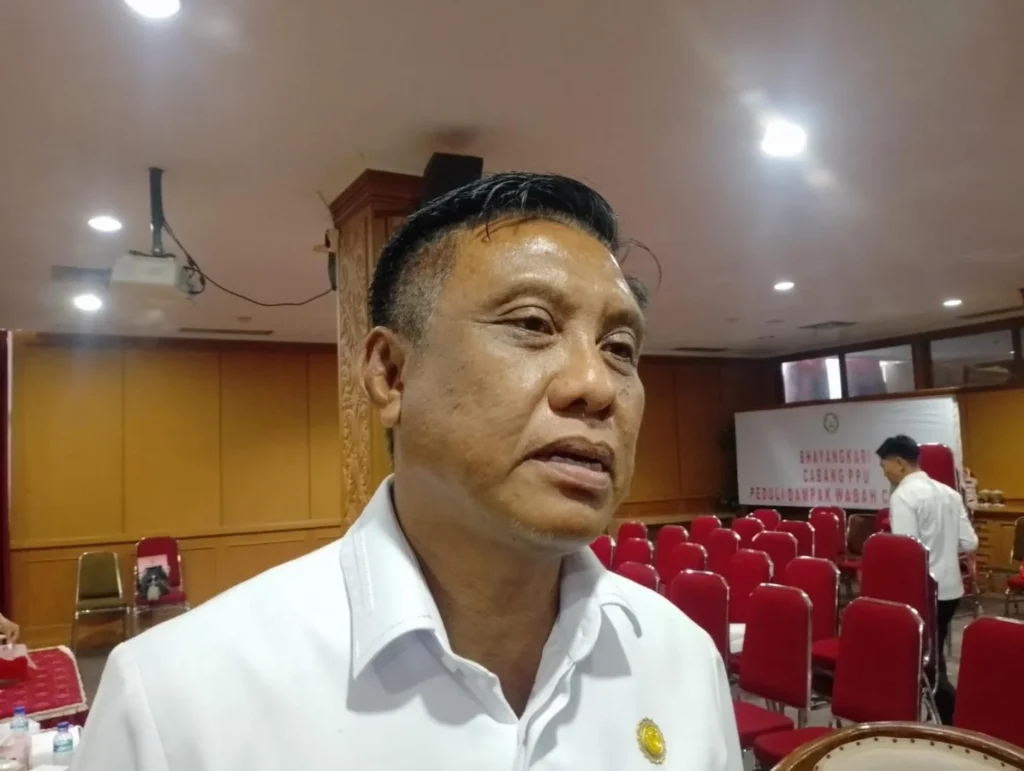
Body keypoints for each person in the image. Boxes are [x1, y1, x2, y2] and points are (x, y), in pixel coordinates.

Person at [74, 172, 742, 770]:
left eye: (620, 348)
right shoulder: (177, 701)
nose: (595, 385)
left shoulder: (682, 660)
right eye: (533, 324)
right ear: (391, 374)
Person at [877, 434, 978, 725]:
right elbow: (969, 542)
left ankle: (953, 719)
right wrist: (943, 545)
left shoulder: (903, 496)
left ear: (900, 463)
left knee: (925, 664)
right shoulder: (949, 493)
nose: (884, 472)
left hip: (922, 592)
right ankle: (948, 717)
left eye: (884, 465)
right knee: (933, 656)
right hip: (950, 590)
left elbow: (907, 552)